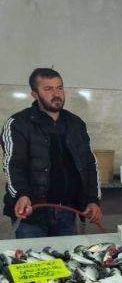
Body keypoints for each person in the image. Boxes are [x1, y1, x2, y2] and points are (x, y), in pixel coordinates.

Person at [1, 68, 102, 238]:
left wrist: (93, 199)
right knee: (33, 255)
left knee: (66, 255)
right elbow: (13, 165)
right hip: (31, 214)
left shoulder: (76, 124)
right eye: (48, 89)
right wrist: (21, 194)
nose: (56, 94)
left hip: (67, 212)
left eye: (59, 88)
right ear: (34, 94)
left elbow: (89, 164)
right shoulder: (18, 123)